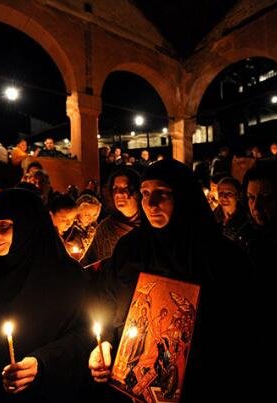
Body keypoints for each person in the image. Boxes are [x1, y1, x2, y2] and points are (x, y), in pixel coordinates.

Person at [88, 159, 245, 402]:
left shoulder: (222, 257)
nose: (150, 204)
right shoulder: (130, 248)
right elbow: (108, 300)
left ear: (184, 197)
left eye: (162, 194)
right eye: (145, 193)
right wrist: (105, 344)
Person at [0, 188, 91, 402]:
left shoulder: (68, 277)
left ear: (29, 226)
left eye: (5, 226)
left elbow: (85, 335)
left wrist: (42, 362)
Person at [81, 168, 141, 268]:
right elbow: (87, 263)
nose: (118, 193)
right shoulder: (105, 229)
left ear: (137, 192)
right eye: (115, 189)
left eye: (125, 188)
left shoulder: (151, 227)